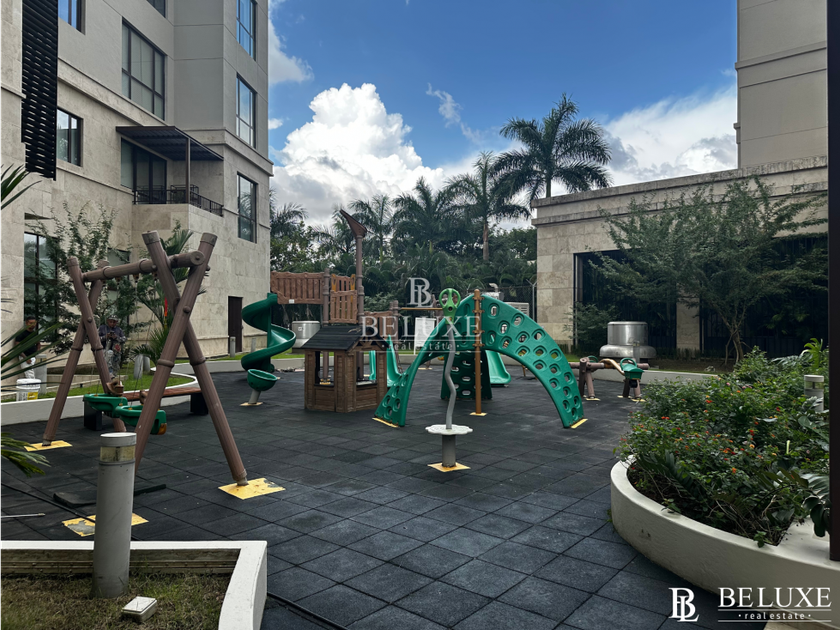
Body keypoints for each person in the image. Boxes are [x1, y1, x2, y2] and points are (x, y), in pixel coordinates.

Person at [98, 315, 126, 379]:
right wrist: (105, 337)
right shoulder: (102, 328)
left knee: (115, 365)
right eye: (111, 321)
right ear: (107, 321)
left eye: (114, 322)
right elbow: (96, 339)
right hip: (105, 349)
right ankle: (109, 373)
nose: (112, 323)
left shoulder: (119, 330)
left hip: (116, 350)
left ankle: (113, 376)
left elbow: (124, 339)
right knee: (109, 356)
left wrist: (116, 337)